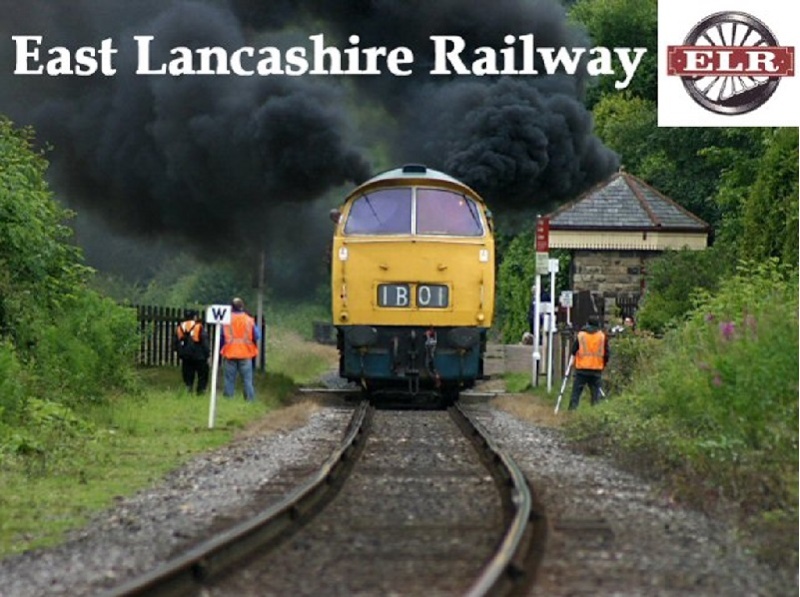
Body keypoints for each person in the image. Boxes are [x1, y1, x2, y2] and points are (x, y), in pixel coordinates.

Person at [220, 297, 260, 402]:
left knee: (229, 379)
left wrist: (222, 349)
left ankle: (228, 400)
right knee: (247, 380)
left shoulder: (226, 320)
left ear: (231, 307)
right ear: (242, 306)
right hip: (245, 353)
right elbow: (257, 335)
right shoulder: (249, 320)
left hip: (230, 353)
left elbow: (222, 336)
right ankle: (250, 401)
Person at [568, 315, 610, 410]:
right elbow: (607, 353)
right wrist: (604, 364)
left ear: (587, 323)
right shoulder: (602, 337)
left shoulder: (581, 335)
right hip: (596, 370)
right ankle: (595, 412)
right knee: (595, 394)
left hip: (582, 369)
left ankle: (572, 411)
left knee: (576, 393)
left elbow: (574, 350)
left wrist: (572, 362)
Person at [175, 310, 210, 395]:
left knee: (188, 375)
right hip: (199, 356)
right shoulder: (198, 327)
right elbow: (204, 341)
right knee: (202, 375)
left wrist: (180, 353)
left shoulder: (180, 327)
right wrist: (207, 353)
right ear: (195, 317)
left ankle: (188, 390)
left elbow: (176, 342)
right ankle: (200, 391)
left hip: (186, 356)